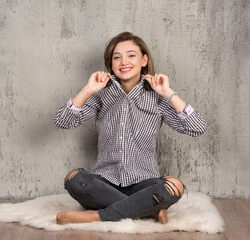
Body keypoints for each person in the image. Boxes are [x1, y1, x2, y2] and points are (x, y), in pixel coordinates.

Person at [53, 32, 207, 225]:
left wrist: (168, 93)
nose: (123, 62)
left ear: (144, 60)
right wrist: (88, 90)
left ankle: (97, 215)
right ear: (111, 64)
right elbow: (63, 121)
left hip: (144, 184)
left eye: (131, 55)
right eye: (116, 57)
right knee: (74, 178)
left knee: (174, 185)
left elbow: (198, 127)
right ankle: (147, 211)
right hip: (104, 183)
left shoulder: (157, 96)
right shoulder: (101, 94)